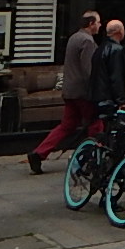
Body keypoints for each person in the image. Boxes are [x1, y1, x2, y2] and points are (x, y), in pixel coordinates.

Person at [27, 10, 101, 174]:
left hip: (69, 91)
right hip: (83, 92)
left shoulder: (74, 38)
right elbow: (89, 70)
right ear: (91, 24)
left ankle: (39, 153)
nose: (100, 25)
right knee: (96, 124)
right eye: (98, 22)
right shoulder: (87, 41)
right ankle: (91, 158)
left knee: (67, 126)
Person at [92, 19, 125, 108]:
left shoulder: (100, 48)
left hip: (98, 98)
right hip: (110, 100)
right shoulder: (116, 50)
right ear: (120, 31)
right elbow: (117, 76)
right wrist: (121, 101)